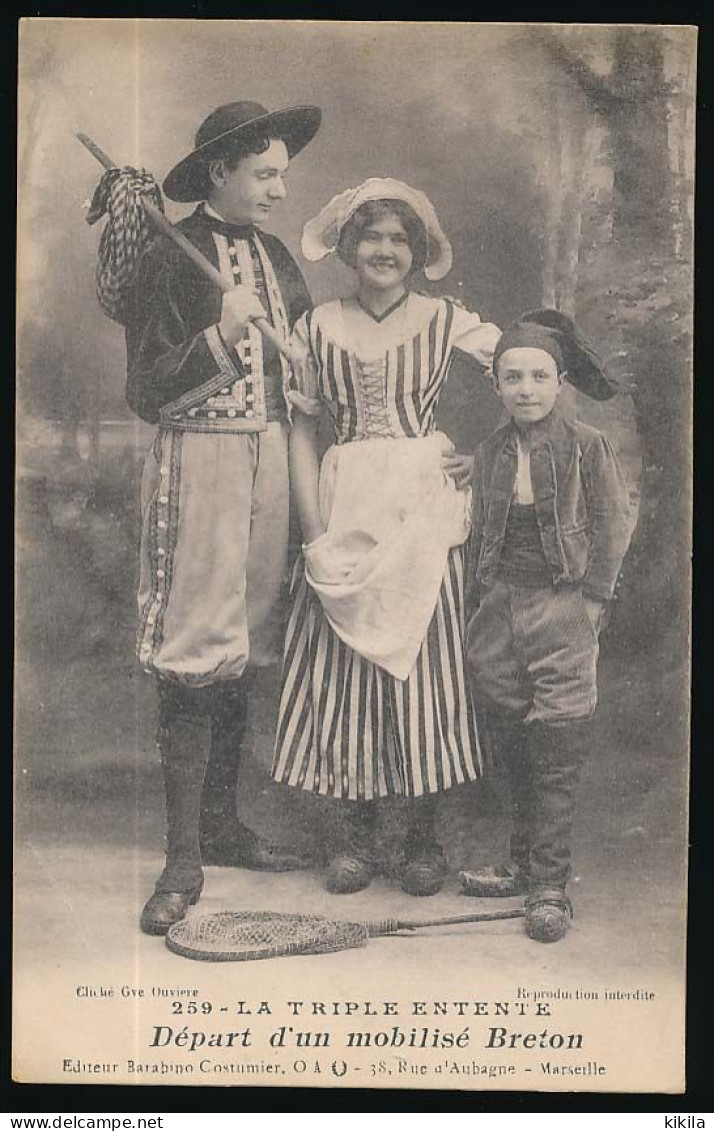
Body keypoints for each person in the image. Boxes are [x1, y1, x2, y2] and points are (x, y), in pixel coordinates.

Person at [124, 101, 322, 935]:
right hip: (199, 454)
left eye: (282, 172)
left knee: (248, 636)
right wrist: (219, 335)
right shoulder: (171, 259)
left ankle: (224, 824)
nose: (280, 189)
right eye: (265, 174)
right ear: (218, 174)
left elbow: (304, 360)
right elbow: (145, 390)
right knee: (196, 644)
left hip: (273, 453)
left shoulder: (277, 256)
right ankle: (181, 858)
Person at [271, 178, 501, 896]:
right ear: (347, 246)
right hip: (345, 499)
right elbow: (302, 431)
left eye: (400, 238)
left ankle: (423, 835)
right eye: (371, 235)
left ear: (419, 250)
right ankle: (355, 834)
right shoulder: (315, 327)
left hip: (421, 499)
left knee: (425, 661)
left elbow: (530, 372)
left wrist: (487, 453)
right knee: (344, 665)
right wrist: (314, 533)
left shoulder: (444, 319)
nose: (385, 249)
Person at [460, 310, 633, 942]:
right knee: (511, 734)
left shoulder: (588, 445)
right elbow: (481, 524)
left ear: (560, 383)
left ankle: (550, 885)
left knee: (557, 745)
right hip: (500, 608)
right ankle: (521, 860)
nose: (526, 389)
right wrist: (483, 605)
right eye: (513, 378)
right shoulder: (492, 451)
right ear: (497, 386)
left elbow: (613, 527)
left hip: (562, 605)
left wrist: (593, 603)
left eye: (539, 376)